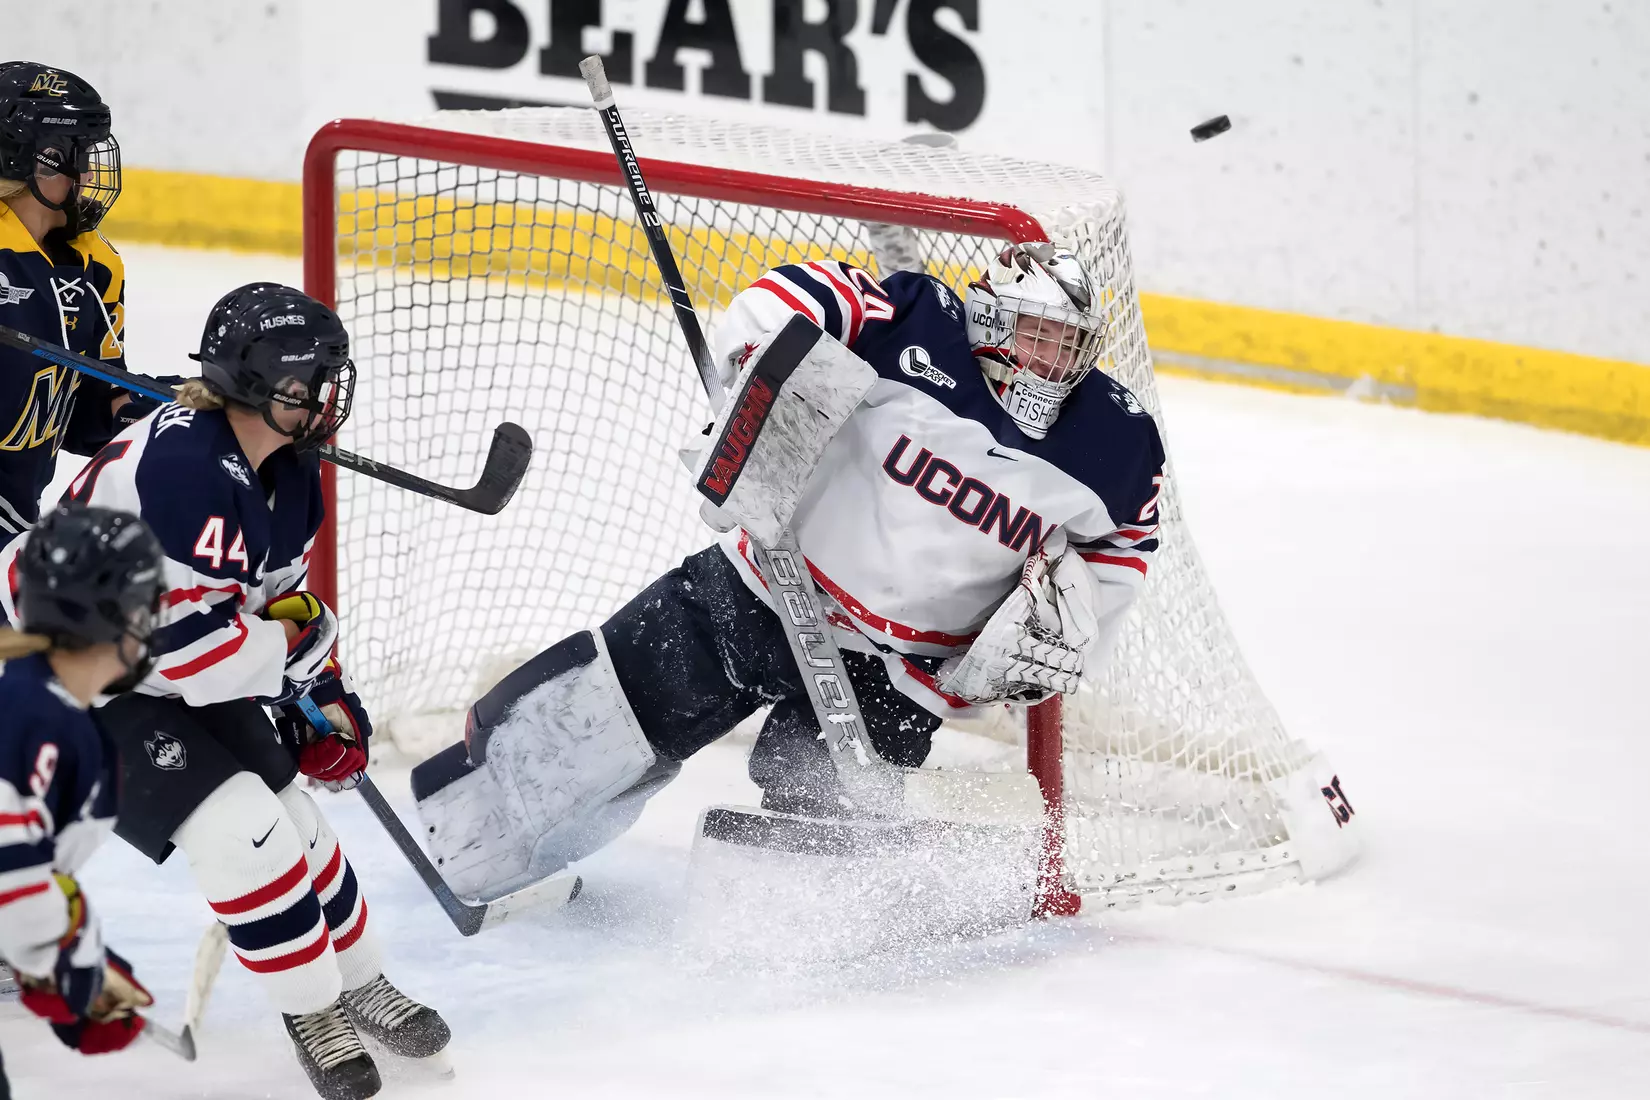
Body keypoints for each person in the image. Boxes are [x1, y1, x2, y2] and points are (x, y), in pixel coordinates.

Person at [410, 242, 1167, 902]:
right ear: (995, 322)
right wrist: (751, 378)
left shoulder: (1114, 438)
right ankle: (473, 840)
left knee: (822, 838)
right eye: (1037, 337)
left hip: (898, 676)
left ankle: (776, 941)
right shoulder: (917, 318)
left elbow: (1125, 548)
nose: (1052, 361)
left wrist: (1064, 640)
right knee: (601, 724)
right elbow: (793, 298)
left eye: (1069, 345)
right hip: (756, 591)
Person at [1, 283, 449, 1100]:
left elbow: (273, 602)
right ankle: (312, 1011)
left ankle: (361, 984)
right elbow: (194, 653)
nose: (325, 397)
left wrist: (322, 694)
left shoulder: (287, 470)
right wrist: (297, 656)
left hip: (152, 661)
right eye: (309, 380)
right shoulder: (182, 473)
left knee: (299, 822)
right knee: (243, 831)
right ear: (257, 383)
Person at [0, 502, 165, 1094]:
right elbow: (8, 882)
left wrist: (75, 953)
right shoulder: (35, 715)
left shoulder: (40, 700)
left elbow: (25, 875)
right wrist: (71, 972)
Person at [0, 62, 166, 547]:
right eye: (76, 155)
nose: (90, 172)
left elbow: (87, 409)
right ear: (30, 160)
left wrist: (155, 410)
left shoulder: (96, 265)